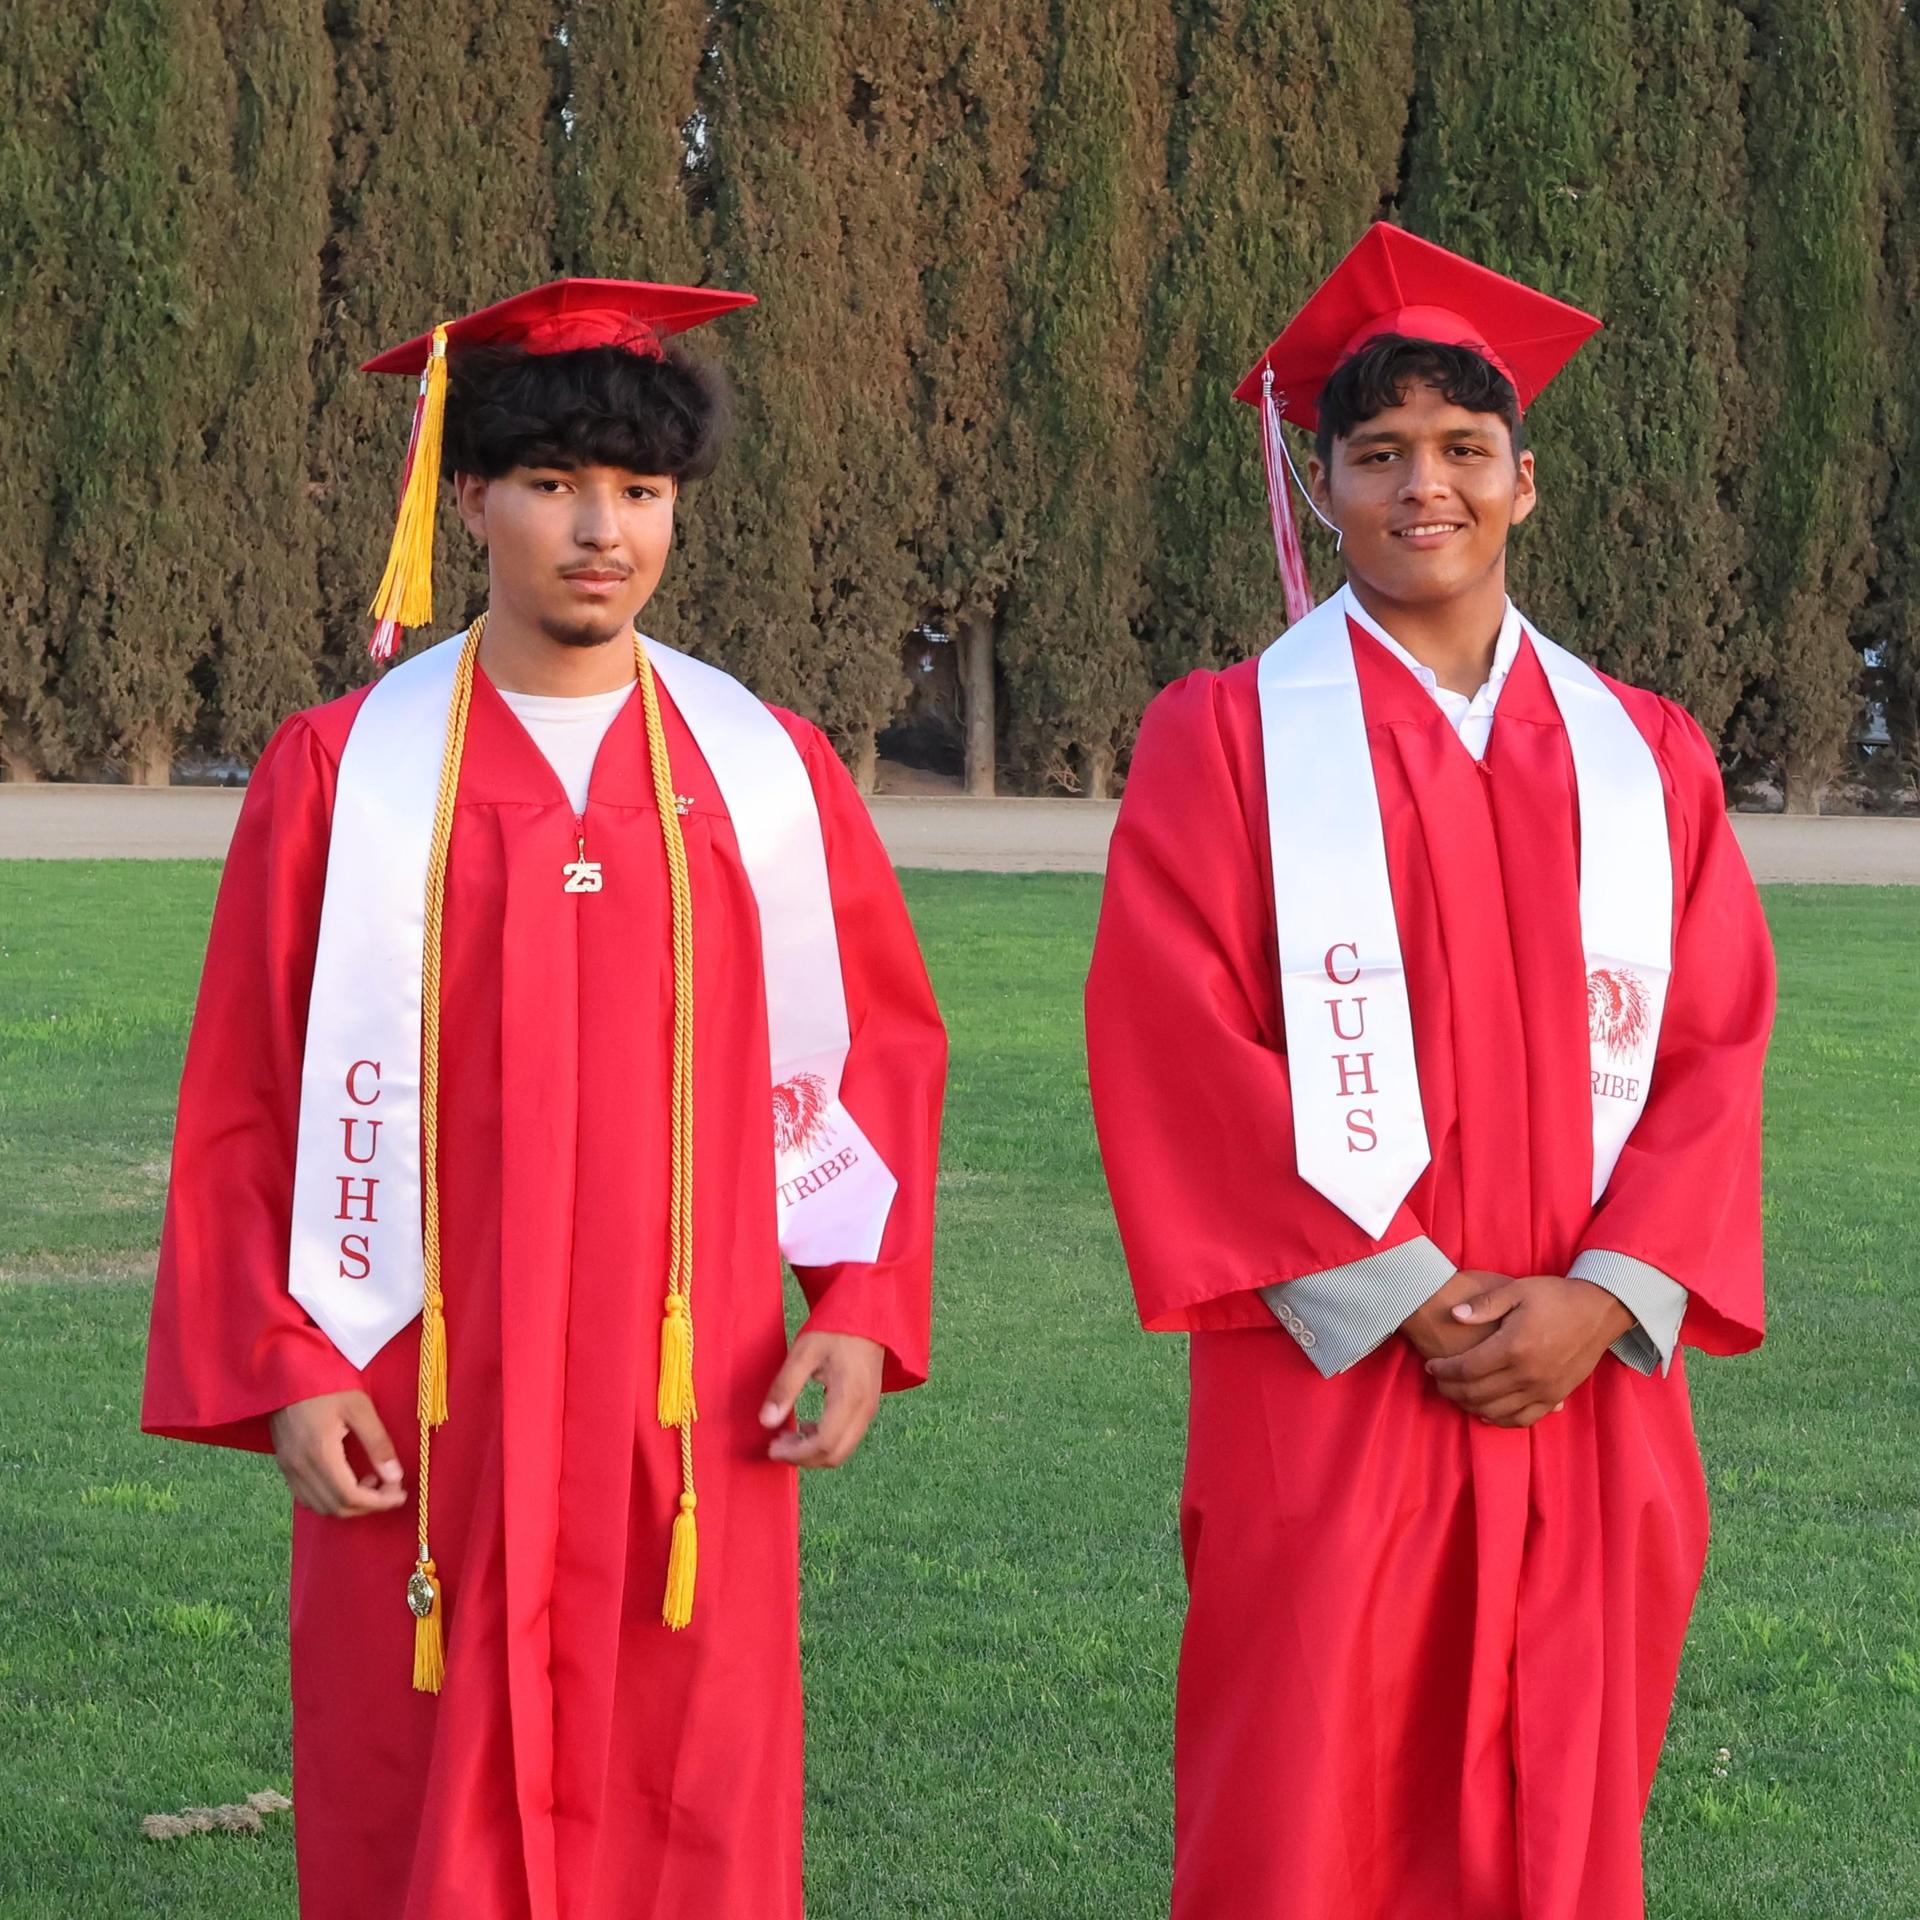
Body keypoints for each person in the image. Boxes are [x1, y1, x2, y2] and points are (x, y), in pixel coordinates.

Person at [143, 278, 947, 1920]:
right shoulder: (344, 771)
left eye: (639, 493)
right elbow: (251, 1091)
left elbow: (873, 1065)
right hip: (419, 1399)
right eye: (556, 485)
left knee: (690, 1805)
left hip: (693, 1400)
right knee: (407, 1793)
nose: (603, 531)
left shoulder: (764, 773)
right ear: (475, 498)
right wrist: (289, 1362)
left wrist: (860, 1307)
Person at [1084, 224, 1774, 1920]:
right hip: (1337, 1375)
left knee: (1569, 1792)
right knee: (1305, 1790)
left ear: (1523, 483)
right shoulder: (1228, 735)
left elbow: (1714, 1045)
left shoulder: (1642, 750)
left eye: (1464, 453)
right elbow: (1177, 1038)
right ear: (1322, 490)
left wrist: (1604, 1299)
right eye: (1380, 456)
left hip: (1592, 1385)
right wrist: (1410, 1297)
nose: (1425, 488)